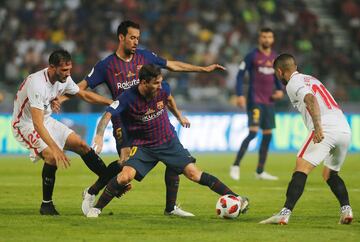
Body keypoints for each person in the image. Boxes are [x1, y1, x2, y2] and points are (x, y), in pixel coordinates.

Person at [59, 20, 226, 216]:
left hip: (149, 119)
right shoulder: (106, 65)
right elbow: (81, 86)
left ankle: (169, 207)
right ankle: (92, 191)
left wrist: (203, 69)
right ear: (121, 37)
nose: (136, 41)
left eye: (138, 38)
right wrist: (61, 98)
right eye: (132, 37)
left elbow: (172, 65)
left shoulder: (145, 57)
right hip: (123, 121)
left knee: (166, 155)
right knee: (124, 163)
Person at [85, 64, 249, 218]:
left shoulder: (163, 89)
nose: (160, 86)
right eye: (156, 83)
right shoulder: (127, 97)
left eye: (161, 82)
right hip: (143, 146)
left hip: (167, 140)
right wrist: (99, 135)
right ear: (144, 83)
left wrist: (178, 116)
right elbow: (107, 115)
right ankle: (96, 208)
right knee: (125, 176)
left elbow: (169, 99)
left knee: (193, 173)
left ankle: (237, 198)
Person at [11, 49, 114, 215]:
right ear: (52, 67)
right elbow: (37, 124)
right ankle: (46, 205)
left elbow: (84, 95)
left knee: (81, 144)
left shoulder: (63, 79)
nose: (67, 74)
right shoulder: (37, 83)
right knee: (51, 156)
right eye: (64, 70)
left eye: (69, 69)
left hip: (45, 118)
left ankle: (111, 181)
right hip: (25, 124)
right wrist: (56, 148)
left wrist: (112, 102)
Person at [260, 53, 353, 225]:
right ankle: (346, 210)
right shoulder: (311, 79)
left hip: (326, 127)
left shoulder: (293, 83)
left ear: (280, 71)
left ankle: (284, 213)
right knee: (330, 174)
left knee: (301, 168)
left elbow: (310, 99)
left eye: (276, 73)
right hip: (344, 128)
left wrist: (318, 127)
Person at [230, 27, 284, 181]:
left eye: (269, 37)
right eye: (264, 36)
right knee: (253, 133)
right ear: (260, 39)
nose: (266, 39)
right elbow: (240, 76)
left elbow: (277, 78)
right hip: (255, 100)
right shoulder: (252, 56)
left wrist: (280, 90)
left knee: (268, 136)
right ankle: (235, 165)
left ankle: (260, 171)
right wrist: (240, 95)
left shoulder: (275, 57)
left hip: (269, 102)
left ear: (272, 39)